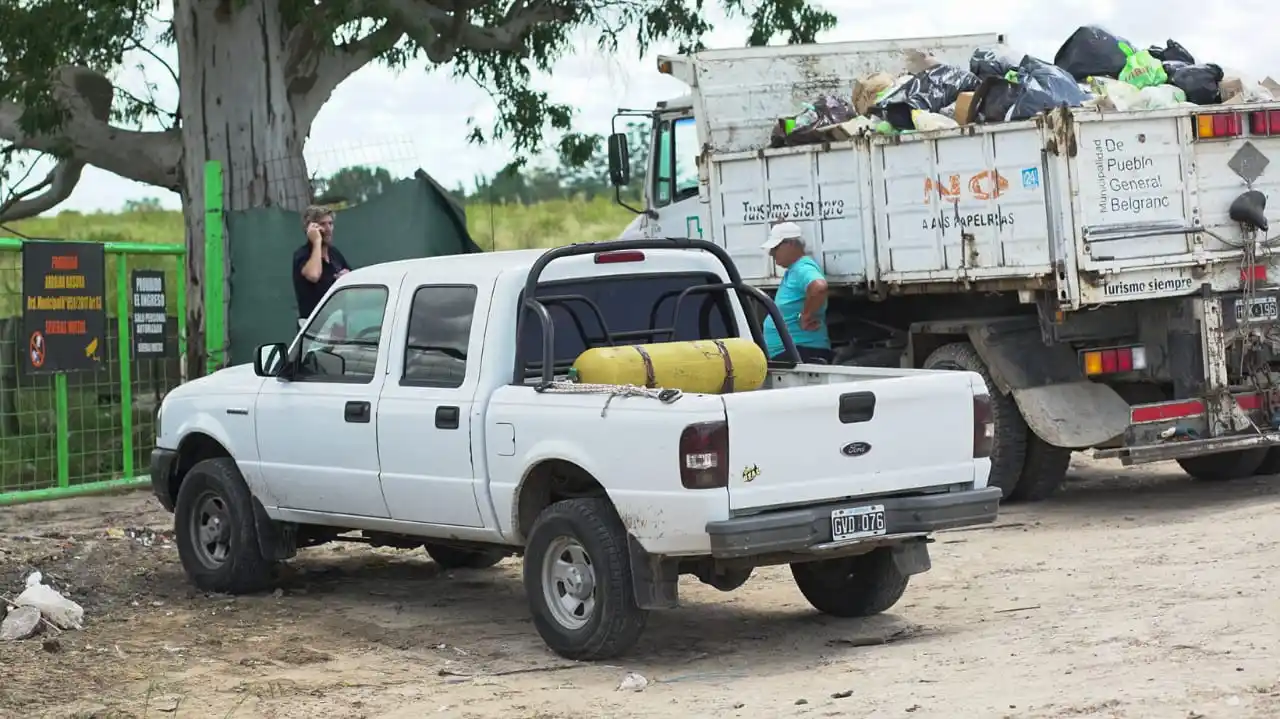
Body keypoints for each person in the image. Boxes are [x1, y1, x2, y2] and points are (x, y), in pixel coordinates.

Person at [759, 222, 832, 363]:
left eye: (775, 248)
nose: (771, 253)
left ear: (791, 244)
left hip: (803, 352)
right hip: (795, 352)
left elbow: (819, 287)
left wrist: (806, 316)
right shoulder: (794, 270)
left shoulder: (802, 267)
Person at [292, 206, 353, 326]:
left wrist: (346, 277)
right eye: (323, 224)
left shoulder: (334, 253)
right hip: (314, 329)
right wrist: (317, 241)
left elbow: (350, 276)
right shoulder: (302, 255)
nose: (328, 229)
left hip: (338, 325)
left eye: (330, 223)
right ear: (311, 228)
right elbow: (314, 275)